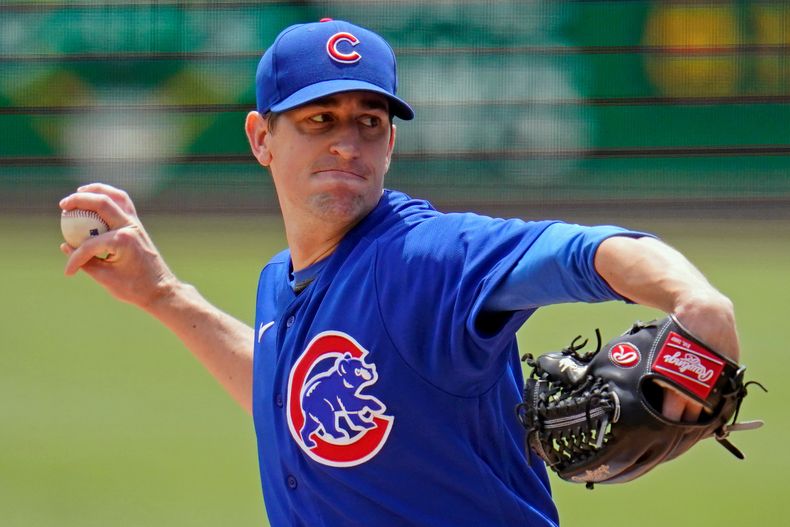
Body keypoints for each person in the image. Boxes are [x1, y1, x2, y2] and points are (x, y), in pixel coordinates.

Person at [60, 19, 739, 527]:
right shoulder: (282, 279)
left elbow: (583, 251)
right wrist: (165, 295)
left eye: (369, 121)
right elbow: (290, 400)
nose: (346, 143)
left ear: (392, 140)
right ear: (261, 138)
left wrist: (693, 299)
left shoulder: (428, 258)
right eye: (319, 119)